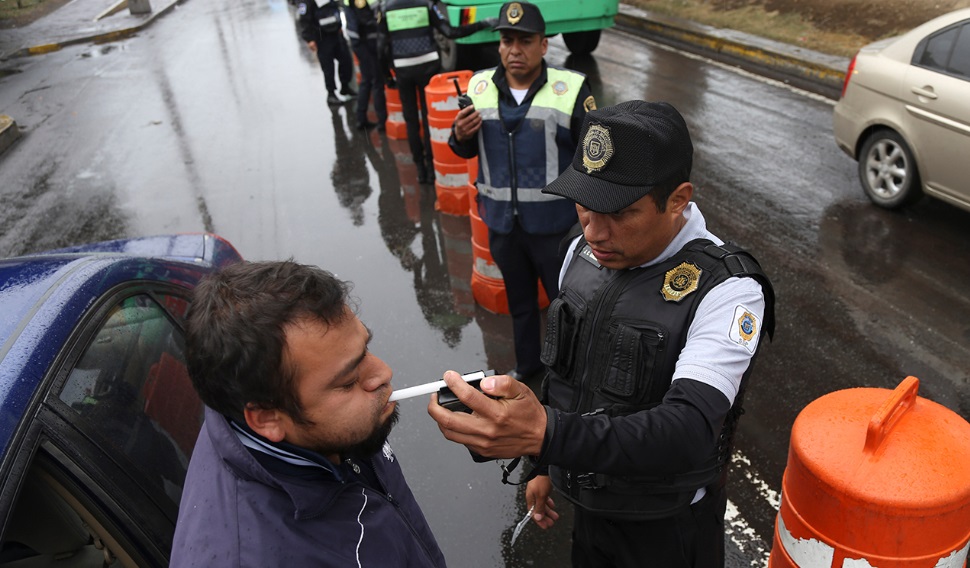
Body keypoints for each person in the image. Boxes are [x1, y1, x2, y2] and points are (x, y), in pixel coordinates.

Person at [428, 100, 776, 567]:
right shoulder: (582, 251)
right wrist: (546, 463)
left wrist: (546, 435)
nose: (594, 230)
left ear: (678, 199)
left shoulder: (728, 289)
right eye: (585, 205)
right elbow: (565, 370)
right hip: (590, 514)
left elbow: (689, 429)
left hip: (668, 531)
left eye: (620, 212)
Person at [171, 261, 445, 567]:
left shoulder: (298, 412)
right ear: (267, 419)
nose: (383, 372)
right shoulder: (255, 555)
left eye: (365, 349)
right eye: (348, 381)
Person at [448, 1, 595, 382]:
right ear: (499, 45)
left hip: (555, 228)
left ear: (543, 45)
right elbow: (464, 147)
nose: (515, 49)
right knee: (522, 307)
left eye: (525, 40)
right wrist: (459, 135)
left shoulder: (570, 89)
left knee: (568, 308)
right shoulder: (478, 87)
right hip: (502, 226)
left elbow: (594, 159)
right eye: (507, 40)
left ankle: (572, 377)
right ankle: (529, 372)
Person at [377, 0, 496, 183]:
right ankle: (432, 170)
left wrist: (387, 77)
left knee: (411, 121)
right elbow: (450, 32)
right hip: (428, 69)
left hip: (403, 70)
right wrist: (482, 23)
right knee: (428, 119)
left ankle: (420, 171)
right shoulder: (425, 4)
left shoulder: (386, 9)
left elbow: (381, 48)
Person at [297, 0, 357, 106]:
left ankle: (345, 86)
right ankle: (331, 94)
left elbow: (335, 8)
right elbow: (304, 19)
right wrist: (309, 39)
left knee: (346, 59)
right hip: (321, 36)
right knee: (328, 67)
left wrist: (339, 25)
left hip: (336, 32)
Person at [344, 0, 388, 130]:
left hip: (359, 39)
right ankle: (382, 122)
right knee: (376, 80)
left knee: (367, 79)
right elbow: (366, 18)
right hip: (365, 40)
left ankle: (361, 118)